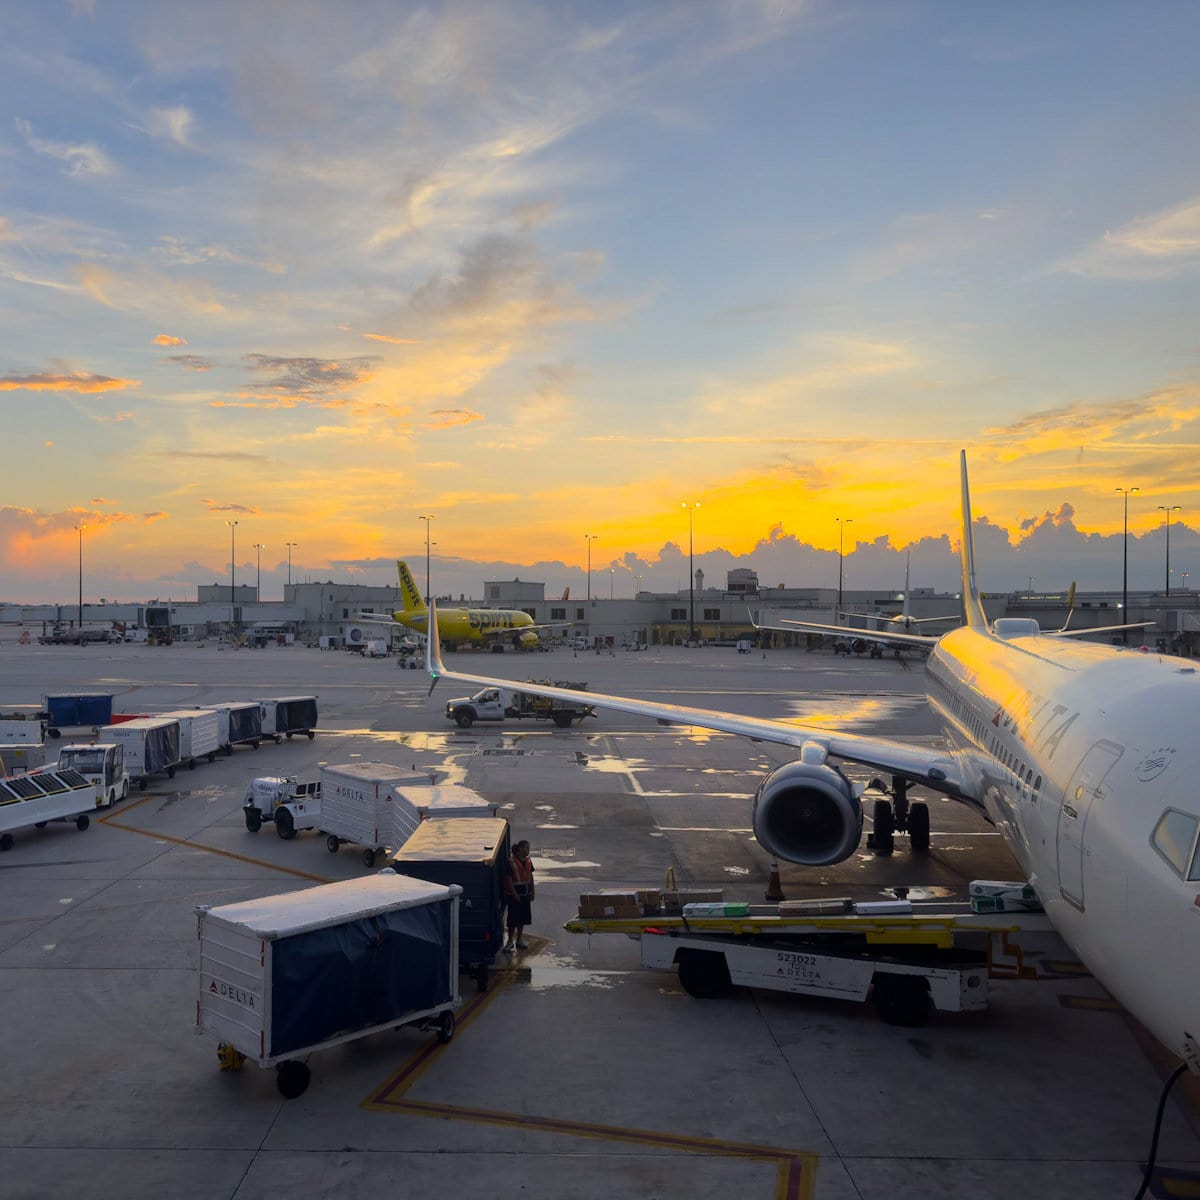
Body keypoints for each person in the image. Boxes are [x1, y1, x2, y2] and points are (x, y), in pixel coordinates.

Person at [503, 839, 535, 953]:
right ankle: (510, 941)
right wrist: (514, 894)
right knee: (513, 919)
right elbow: (508, 879)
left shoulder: (528, 861)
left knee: (522, 919)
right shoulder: (511, 861)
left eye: (529, 848)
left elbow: (531, 877)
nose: (528, 850)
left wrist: (533, 892)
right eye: (527, 848)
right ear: (520, 849)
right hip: (514, 896)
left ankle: (519, 939)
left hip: (526, 895)